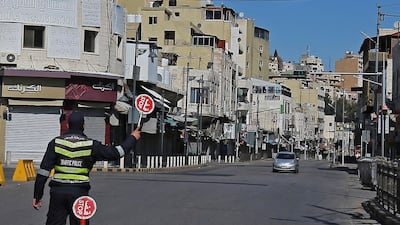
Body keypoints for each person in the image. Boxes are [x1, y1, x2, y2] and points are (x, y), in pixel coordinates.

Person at [33, 111, 141, 225]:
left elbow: (43, 172)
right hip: (79, 194)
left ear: (67, 125)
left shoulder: (55, 143)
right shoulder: (91, 145)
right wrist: (133, 138)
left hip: (58, 194)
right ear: (84, 126)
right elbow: (117, 153)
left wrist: (37, 195)